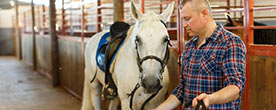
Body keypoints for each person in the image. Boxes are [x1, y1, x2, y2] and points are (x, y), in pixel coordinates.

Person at [154, 0, 247, 109]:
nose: (184, 25)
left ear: (204, 14)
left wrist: (210, 98)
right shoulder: (189, 47)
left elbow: (235, 88)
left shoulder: (230, 43)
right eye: (183, 19)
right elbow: (182, 90)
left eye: (187, 19)